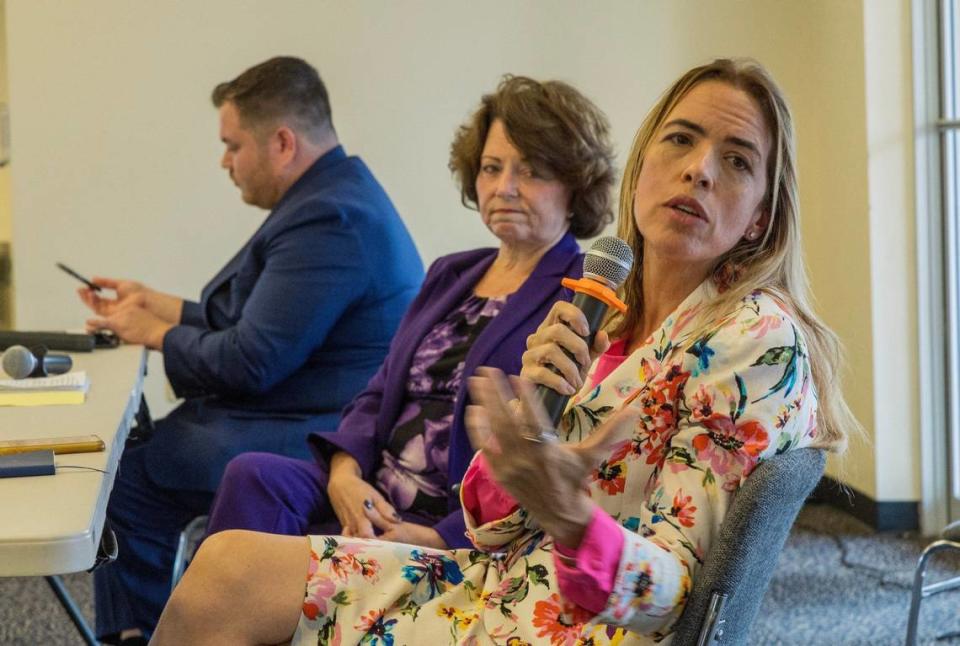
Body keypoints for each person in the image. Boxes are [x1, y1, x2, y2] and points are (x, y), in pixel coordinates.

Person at [150, 58, 860, 645]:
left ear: (761, 214)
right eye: (680, 140)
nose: (700, 170)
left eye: (736, 161)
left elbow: (678, 600)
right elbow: (499, 519)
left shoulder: (752, 340)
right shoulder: (606, 315)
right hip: (498, 578)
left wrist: (570, 514)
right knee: (226, 566)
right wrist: (521, 440)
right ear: (642, 167)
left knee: (231, 585)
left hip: (572, 625)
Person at [80, 56, 423, 645]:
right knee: (137, 452)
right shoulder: (332, 194)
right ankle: (157, 624)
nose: (225, 162)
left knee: (126, 476)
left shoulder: (330, 218)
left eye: (232, 145)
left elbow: (251, 360)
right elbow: (255, 320)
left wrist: (154, 333)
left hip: (320, 431)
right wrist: (155, 304)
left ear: (282, 142)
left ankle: (152, 633)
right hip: (293, 407)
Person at [201, 74, 616, 553]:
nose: (503, 188)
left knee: (268, 571)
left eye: (530, 171)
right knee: (251, 475)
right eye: (491, 167)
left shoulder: (583, 295)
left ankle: (252, 617)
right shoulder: (452, 273)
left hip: (447, 520)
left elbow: (556, 450)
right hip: (371, 488)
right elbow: (378, 392)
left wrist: (440, 535)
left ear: (576, 185)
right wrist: (344, 472)